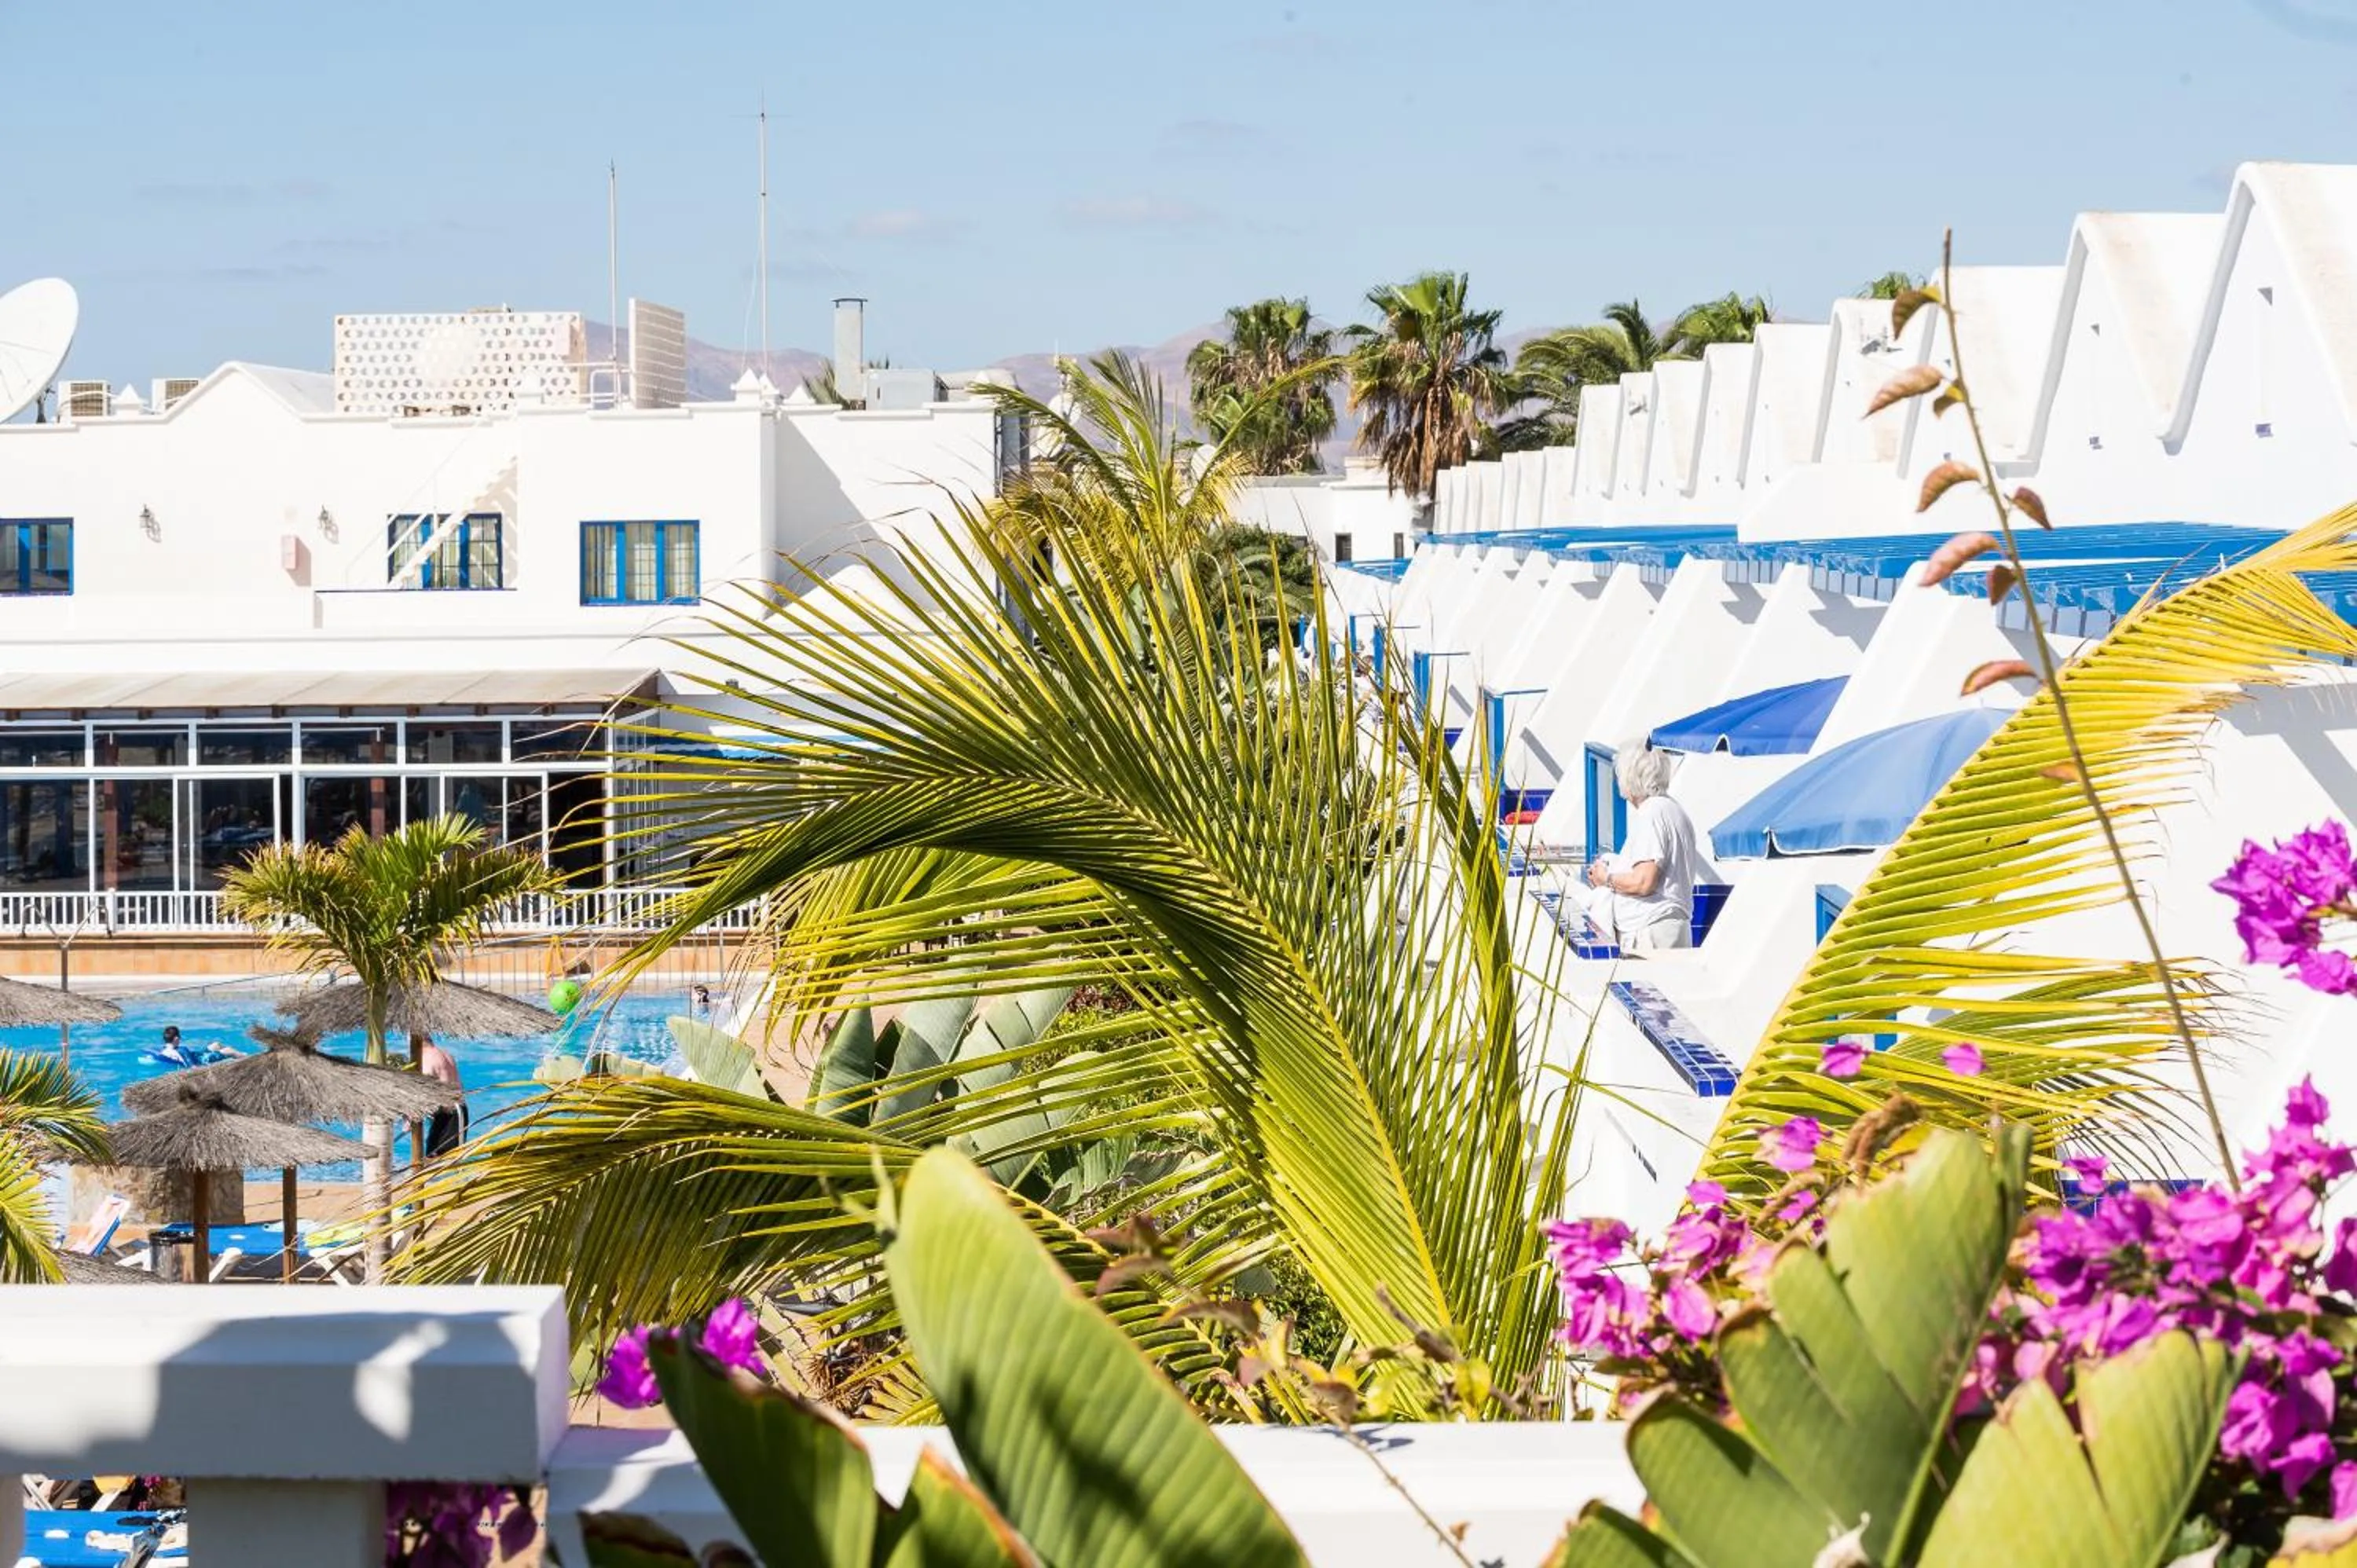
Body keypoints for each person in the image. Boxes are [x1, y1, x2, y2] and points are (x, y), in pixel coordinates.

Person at [1581, 746, 1703, 951]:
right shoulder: (1671, 809)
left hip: (1651, 931)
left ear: (1630, 778)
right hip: (1665, 927)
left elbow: (1644, 882)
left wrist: (1606, 878)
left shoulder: (1651, 813)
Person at [416, 1033, 470, 1158]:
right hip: (450, 1112)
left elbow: (425, 1090)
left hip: (452, 1113)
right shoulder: (444, 1053)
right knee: (433, 1157)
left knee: (446, 1160)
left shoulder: (426, 1058)